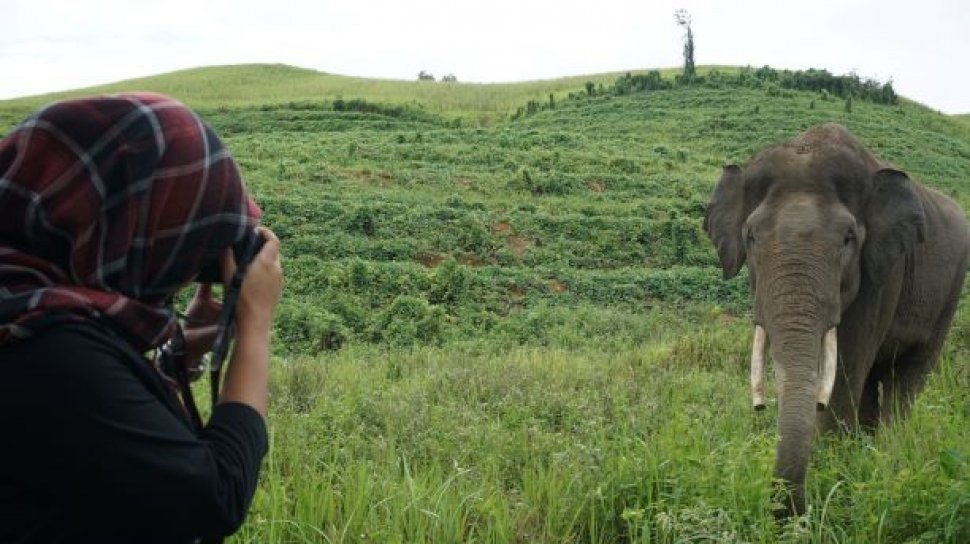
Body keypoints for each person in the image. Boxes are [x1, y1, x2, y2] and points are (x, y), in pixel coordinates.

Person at [0, 93, 284, 542]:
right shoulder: (49, 349)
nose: (192, 267)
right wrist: (254, 329)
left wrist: (177, 351)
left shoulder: (24, 303)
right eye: (188, 237)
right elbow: (212, 499)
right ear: (126, 228)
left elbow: (89, 432)